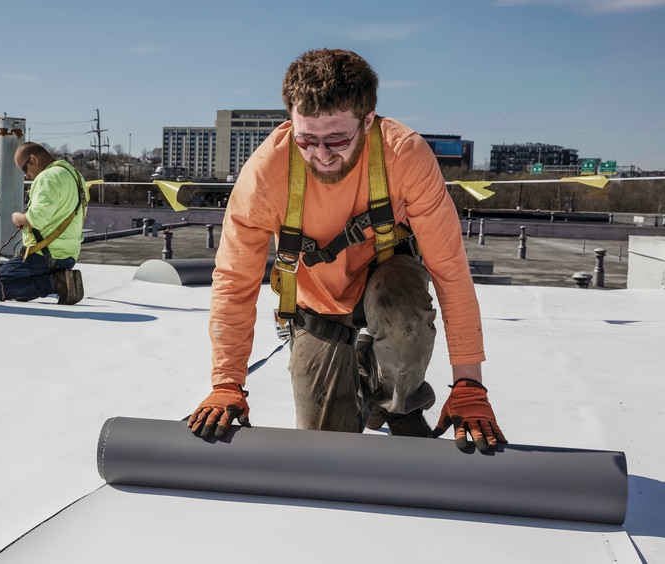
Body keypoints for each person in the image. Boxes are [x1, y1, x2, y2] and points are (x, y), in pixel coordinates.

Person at [188, 48, 506, 453]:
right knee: (325, 451)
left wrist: (469, 385)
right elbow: (235, 281)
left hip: (387, 280)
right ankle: (367, 383)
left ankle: (396, 401)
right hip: (316, 304)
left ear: (368, 120)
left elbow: (450, 271)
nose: (321, 155)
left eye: (337, 139)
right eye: (306, 139)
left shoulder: (404, 156)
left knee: (402, 309)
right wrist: (226, 383)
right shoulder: (265, 175)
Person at [0, 142, 87, 305]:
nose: (26, 175)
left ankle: (55, 283)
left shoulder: (48, 177)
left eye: (24, 169)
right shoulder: (75, 175)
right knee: (18, 292)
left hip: (44, 256)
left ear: (33, 159)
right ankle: (60, 280)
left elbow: (37, 219)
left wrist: (18, 218)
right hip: (69, 256)